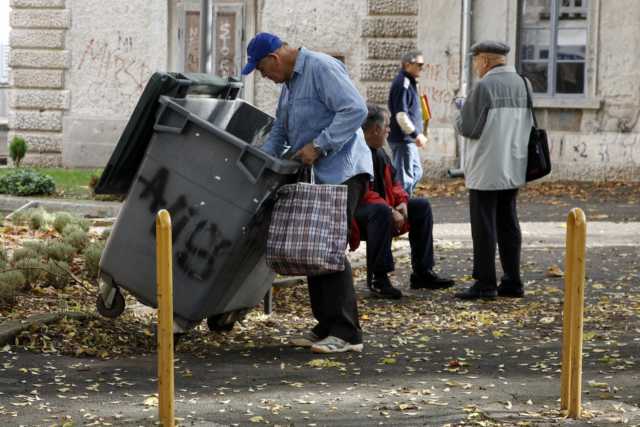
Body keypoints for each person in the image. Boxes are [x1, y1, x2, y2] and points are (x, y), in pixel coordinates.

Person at [241, 33, 373, 353]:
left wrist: (319, 145)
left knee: (327, 247)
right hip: (320, 173)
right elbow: (281, 131)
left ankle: (347, 334)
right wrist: (264, 166)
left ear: (274, 58)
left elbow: (355, 110)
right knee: (314, 246)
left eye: (261, 70)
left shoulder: (321, 68)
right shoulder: (289, 84)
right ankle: (326, 325)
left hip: (343, 170)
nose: (265, 77)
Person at [453, 41, 532, 300]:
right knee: (508, 222)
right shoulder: (524, 83)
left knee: (484, 226)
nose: (475, 65)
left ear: (484, 60)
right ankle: (512, 280)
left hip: (486, 168)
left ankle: (485, 283)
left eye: (476, 60)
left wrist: (460, 109)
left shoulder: (484, 86)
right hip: (513, 164)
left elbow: (468, 128)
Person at [351, 104, 455, 299]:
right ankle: (378, 278)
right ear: (375, 130)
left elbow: (395, 183)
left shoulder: (381, 152)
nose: (389, 130)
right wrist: (391, 211)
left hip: (383, 208)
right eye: (387, 126)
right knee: (380, 212)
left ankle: (422, 273)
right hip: (359, 216)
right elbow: (362, 194)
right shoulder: (355, 152)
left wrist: (402, 202)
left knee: (421, 206)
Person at [388, 50, 428, 196]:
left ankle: (404, 203)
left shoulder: (410, 82)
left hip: (408, 139)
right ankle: (402, 208)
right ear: (407, 64)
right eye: (419, 64)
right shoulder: (402, 83)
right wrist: (416, 134)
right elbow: (401, 115)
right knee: (404, 179)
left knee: (416, 172)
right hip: (403, 139)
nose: (421, 68)